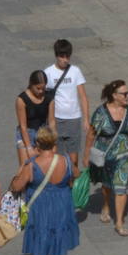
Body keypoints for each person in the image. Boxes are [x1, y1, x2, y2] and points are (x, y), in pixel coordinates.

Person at [10, 127, 78, 255]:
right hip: (62, 205)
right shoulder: (65, 160)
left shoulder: (32, 165)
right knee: (60, 243)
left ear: (38, 144)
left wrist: (19, 172)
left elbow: (17, 187)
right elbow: (76, 174)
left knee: (45, 251)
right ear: (54, 143)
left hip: (41, 209)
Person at [86, 79, 128, 237]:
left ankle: (119, 223)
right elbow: (91, 134)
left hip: (125, 155)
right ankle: (106, 204)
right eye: (124, 94)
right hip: (105, 156)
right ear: (114, 95)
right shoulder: (101, 112)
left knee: (121, 188)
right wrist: (86, 154)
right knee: (107, 185)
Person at [43, 39, 89, 169]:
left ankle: (73, 180)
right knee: (57, 158)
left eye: (67, 56)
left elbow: (83, 96)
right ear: (56, 55)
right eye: (62, 56)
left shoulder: (75, 71)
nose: (65, 60)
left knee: (73, 160)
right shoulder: (48, 72)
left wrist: (86, 118)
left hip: (73, 119)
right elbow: (44, 98)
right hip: (56, 119)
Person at [14, 70, 55, 166]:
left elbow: (52, 122)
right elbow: (23, 126)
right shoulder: (22, 99)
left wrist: (53, 142)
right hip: (26, 134)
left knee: (43, 166)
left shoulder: (49, 98)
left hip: (43, 133)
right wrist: (28, 147)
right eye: (38, 88)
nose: (41, 91)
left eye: (43, 88)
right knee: (25, 167)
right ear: (31, 84)